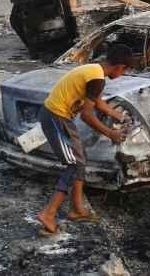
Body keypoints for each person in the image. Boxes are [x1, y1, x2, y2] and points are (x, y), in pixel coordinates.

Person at [37, 44, 134, 234]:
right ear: (120, 67)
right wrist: (111, 133)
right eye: (125, 71)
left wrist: (119, 116)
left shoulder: (94, 70)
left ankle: (77, 209)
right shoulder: (97, 79)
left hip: (58, 116)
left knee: (79, 161)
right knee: (73, 165)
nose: (122, 75)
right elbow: (87, 116)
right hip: (56, 117)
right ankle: (49, 213)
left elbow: (98, 103)